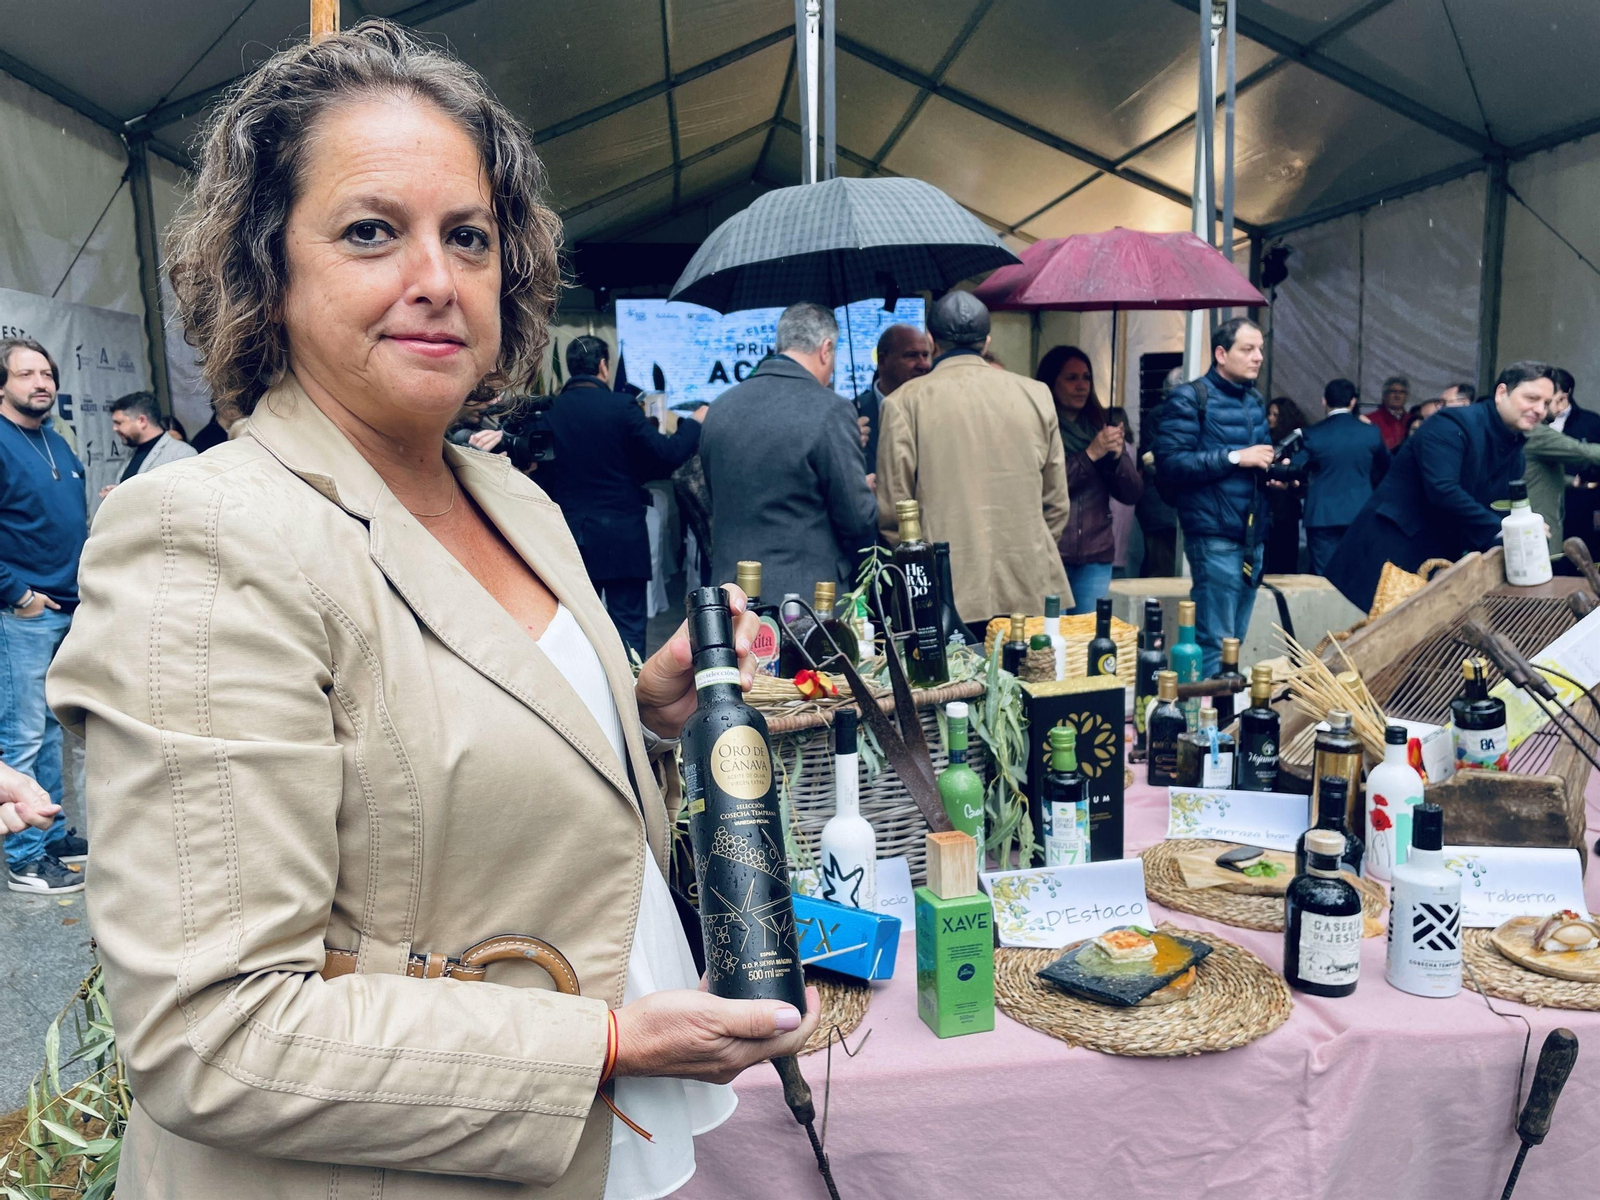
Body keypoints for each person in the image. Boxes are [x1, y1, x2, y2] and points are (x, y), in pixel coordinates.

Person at [46, 23, 819, 1199]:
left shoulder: (509, 494)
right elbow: (210, 1036)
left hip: (602, 1155)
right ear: (269, 267)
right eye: (370, 232)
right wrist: (605, 1045)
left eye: (468, 236)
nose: (438, 279)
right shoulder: (208, 534)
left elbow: (459, 756)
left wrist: (634, 716)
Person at [877, 290, 1069, 625]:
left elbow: (894, 514)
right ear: (987, 341)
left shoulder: (903, 402)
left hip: (945, 591)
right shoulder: (1037, 395)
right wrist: (1029, 547)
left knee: (953, 679)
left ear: (933, 341)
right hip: (1029, 584)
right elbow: (1056, 504)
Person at [1326, 361, 1554, 611]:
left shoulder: (1515, 451)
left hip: (1437, 561)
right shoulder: (1451, 423)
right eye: (1531, 398)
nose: (1540, 410)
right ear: (1502, 393)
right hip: (1387, 552)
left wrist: (1523, 531)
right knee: (1354, 639)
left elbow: (1496, 509)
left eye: (1546, 403)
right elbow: (1443, 490)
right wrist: (1508, 529)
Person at [533, 334, 705, 657]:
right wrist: (693, 424)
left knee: (574, 629)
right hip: (622, 539)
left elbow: (541, 476)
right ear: (603, 366)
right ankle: (628, 699)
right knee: (627, 630)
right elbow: (666, 455)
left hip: (571, 540)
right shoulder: (621, 407)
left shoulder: (550, 412)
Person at [700, 301, 876, 605]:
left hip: (730, 595)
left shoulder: (719, 409)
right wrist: (866, 489)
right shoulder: (831, 410)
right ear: (826, 348)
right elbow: (857, 519)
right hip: (807, 600)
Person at [0, 337, 90, 894]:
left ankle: (50, 833)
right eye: (27, 373)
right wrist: (17, 594)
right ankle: (25, 857)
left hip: (70, 610)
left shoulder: (58, 442)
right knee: (25, 737)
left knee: (55, 731)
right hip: (25, 616)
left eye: (47, 373)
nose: (42, 383)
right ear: (3, 385)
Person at [1152, 317, 1272, 676]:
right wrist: (1236, 456)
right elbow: (1171, 462)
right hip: (1213, 534)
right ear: (1221, 353)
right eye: (1247, 349)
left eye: (1260, 349)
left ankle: (1222, 723)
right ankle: (1199, 725)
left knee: (1234, 642)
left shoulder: (1254, 400)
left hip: (1252, 534)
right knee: (1214, 642)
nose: (1258, 358)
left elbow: (1251, 462)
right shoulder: (1190, 397)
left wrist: (1275, 474)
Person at [1035, 344, 1140, 612]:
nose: (1081, 386)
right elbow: (1049, 489)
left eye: (1086, 377)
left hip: (1095, 552)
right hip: (1051, 552)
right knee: (1051, 637)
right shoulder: (1039, 429)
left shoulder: (1099, 426)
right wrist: (1091, 454)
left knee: (1087, 640)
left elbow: (1131, 494)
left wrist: (1117, 458)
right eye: (1071, 378)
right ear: (1051, 383)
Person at [1297, 379, 1389, 576]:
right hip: (1360, 511)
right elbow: (1389, 467)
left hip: (1321, 514)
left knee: (1326, 576)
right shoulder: (1371, 433)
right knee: (1358, 574)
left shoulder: (1312, 434)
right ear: (1353, 402)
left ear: (1324, 401)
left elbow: (1295, 468)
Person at [1523, 372, 1600, 561]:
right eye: (1553, 401)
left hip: (1555, 518)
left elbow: (1534, 473)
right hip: (1542, 525)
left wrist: (1571, 482)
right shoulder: (1537, 432)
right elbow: (1583, 451)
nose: (1558, 408)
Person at [853, 323, 930, 473]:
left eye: (925, 355)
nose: (923, 364)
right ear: (882, 360)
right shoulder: (852, 413)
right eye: (911, 355)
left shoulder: (938, 410)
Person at [99, 390, 196, 498]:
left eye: (119, 423)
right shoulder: (132, 453)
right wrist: (117, 492)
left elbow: (184, 497)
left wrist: (125, 495)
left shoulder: (181, 453)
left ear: (142, 421)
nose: (114, 428)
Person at [1136, 367, 1184, 578]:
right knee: (1163, 574)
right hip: (1164, 511)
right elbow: (1162, 458)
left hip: (1165, 510)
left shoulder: (1163, 414)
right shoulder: (1164, 415)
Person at [1552, 368, 1600, 558]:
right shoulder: (1533, 421)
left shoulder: (1591, 422)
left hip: (1581, 502)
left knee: (1582, 556)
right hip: (1545, 499)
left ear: (1565, 393)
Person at [1263, 397, 1305, 575]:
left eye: (1275, 415)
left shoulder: (1295, 447)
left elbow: (1303, 483)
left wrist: (1289, 484)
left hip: (1286, 513)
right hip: (1265, 510)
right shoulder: (1263, 441)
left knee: (1285, 563)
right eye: (1269, 414)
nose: (1270, 418)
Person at [1370, 375, 1410, 451]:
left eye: (1402, 392)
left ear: (1406, 396)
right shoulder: (1370, 420)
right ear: (1384, 395)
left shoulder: (1412, 420)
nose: (1397, 396)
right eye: (1393, 392)